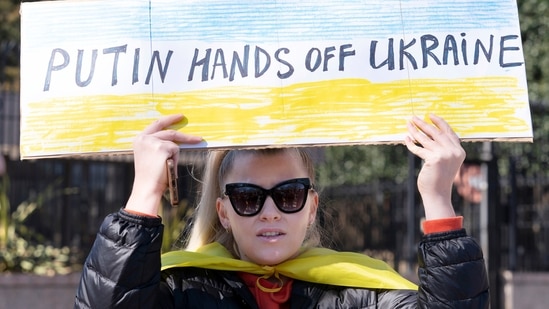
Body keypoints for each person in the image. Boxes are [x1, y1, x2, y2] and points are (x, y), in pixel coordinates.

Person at [74, 113, 489, 308]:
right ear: (224, 212)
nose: (269, 213)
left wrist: (437, 199)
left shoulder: (362, 294)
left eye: (288, 195)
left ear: (311, 207)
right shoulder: (181, 291)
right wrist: (144, 194)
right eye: (249, 198)